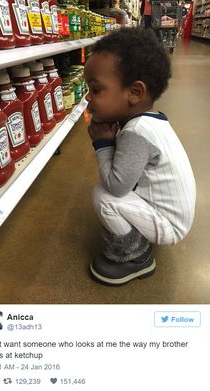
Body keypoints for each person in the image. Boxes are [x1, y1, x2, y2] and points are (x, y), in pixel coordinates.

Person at [84, 27, 196, 285]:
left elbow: (117, 186)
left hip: (170, 225)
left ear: (134, 93)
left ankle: (135, 256)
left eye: (96, 89)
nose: (88, 97)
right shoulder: (148, 121)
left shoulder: (137, 132)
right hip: (169, 213)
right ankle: (139, 238)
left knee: (104, 196)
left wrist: (102, 143)